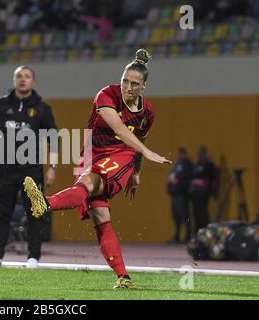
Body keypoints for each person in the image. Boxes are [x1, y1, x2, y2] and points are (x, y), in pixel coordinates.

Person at [23, 49, 171, 288]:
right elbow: (120, 128)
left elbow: (136, 140)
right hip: (92, 156)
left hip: (121, 157)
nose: (128, 88)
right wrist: (147, 152)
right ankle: (124, 277)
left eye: (135, 84)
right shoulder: (106, 95)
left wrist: (136, 172)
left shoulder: (147, 113)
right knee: (100, 216)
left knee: (89, 184)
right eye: (125, 81)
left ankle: (45, 203)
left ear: (144, 86)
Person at [0, 65, 58, 268]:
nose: (23, 79)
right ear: (14, 80)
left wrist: (52, 167)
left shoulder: (43, 108)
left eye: (27, 76)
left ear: (33, 81)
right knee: (1, 213)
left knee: (35, 213)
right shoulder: (1, 104)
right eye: (19, 76)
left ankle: (33, 257)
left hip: (31, 169)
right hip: (5, 168)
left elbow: (54, 138)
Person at [167, 147, 193, 244]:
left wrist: (180, 187)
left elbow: (187, 179)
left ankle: (187, 236)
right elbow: (171, 177)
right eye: (178, 154)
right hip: (175, 193)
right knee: (176, 216)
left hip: (182, 194)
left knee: (184, 215)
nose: (179, 156)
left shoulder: (187, 165)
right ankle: (177, 235)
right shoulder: (176, 165)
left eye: (181, 154)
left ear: (184, 154)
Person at [190, 146, 216, 232]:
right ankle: (197, 231)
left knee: (203, 212)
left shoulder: (209, 164)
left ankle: (206, 230)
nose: (199, 155)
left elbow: (212, 179)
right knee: (196, 213)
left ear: (205, 153)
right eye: (198, 153)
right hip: (195, 192)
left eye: (201, 153)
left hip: (203, 192)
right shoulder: (196, 164)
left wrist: (211, 191)